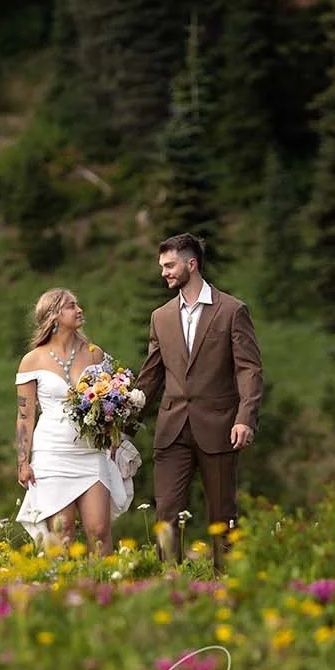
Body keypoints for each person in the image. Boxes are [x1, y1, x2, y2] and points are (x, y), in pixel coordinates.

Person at [135, 233, 263, 573]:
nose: (163, 272)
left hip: (220, 426)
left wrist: (245, 418)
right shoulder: (160, 317)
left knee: (223, 514)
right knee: (166, 513)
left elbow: (249, 368)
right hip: (172, 428)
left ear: (192, 264)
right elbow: (151, 375)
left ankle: (227, 584)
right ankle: (170, 582)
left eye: (169, 265)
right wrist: (122, 418)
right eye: (162, 266)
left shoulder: (232, 310)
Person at [13, 288, 137, 554]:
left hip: (91, 452)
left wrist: (113, 431)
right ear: (54, 316)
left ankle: (105, 589)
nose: (79, 310)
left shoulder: (94, 354)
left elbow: (111, 401)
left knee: (99, 530)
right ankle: (64, 590)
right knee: (62, 531)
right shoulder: (32, 360)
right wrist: (23, 462)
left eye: (77, 304)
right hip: (52, 454)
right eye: (71, 306)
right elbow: (25, 415)